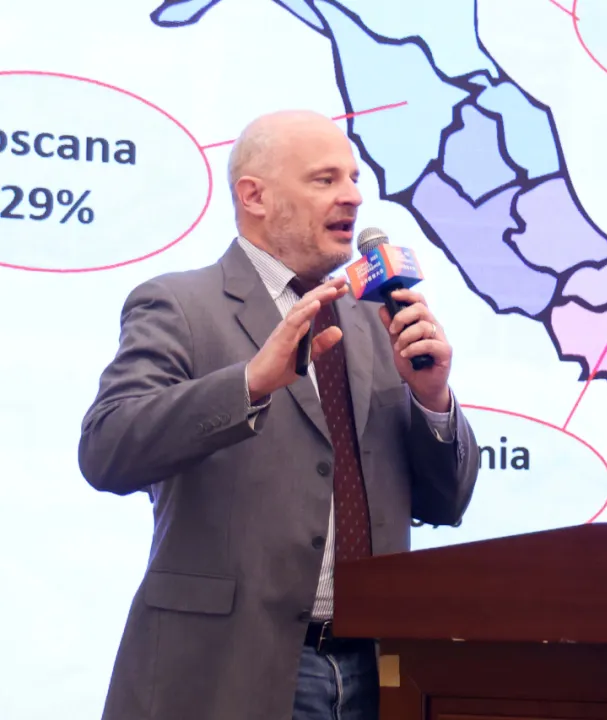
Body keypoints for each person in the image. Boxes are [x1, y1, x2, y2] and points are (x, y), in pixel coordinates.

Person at [78, 109, 481, 720]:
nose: (353, 196)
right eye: (325, 180)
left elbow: (444, 503)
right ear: (255, 196)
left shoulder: (377, 320)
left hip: (378, 671)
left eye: (353, 178)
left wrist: (433, 399)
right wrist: (250, 384)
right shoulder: (180, 304)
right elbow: (107, 448)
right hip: (229, 670)